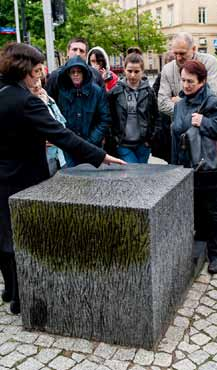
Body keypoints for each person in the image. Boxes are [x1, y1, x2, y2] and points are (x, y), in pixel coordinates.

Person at [0, 43, 125, 315]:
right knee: (23, 239)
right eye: (36, 70)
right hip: (23, 178)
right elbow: (62, 134)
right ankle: (22, 299)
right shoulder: (26, 101)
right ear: (24, 70)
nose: (40, 75)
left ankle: (10, 290)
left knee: (5, 237)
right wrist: (100, 156)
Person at [158, 32, 217, 245]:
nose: (178, 57)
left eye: (182, 53)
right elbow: (162, 103)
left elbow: (214, 101)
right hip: (185, 150)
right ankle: (201, 240)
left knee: (215, 202)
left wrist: (197, 116)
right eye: (175, 53)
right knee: (197, 202)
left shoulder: (209, 66)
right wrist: (182, 106)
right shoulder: (170, 75)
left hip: (208, 150)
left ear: (193, 50)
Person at [171, 60, 217, 274]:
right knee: (197, 211)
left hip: (209, 169)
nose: (186, 85)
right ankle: (200, 248)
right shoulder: (180, 104)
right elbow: (176, 136)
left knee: (214, 213)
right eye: (183, 80)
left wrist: (205, 122)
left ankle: (216, 255)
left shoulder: (211, 102)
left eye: (191, 81)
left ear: (202, 81)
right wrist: (174, 167)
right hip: (188, 168)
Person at [56, 55, 111, 167]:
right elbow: (59, 119)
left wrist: (91, 141)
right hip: (70, 148)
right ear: (68, 74)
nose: (76, 75)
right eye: (73, 72)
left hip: (93, 146)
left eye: (79, 72)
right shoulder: (62, 93)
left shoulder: (97, 92)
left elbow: (105, 119)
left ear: (84, 73)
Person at [108, 53, 158, 163]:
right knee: (133, 171)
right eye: (129, 71)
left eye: (136, 71)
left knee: (142, 175)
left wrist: (150, 140)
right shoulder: (116, 92)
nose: (132, 75)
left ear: (142, 72)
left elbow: (156, 117)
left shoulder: (148, 92)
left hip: (143, 145)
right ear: (124, 70)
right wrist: (115, 139)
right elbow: (109, 117)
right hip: (123, 144)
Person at [28, 79, 66, 176]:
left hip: (59, 154)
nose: (36, 85)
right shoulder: (28, 104)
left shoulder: (48, 98)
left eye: (37, 80)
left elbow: (61, 122)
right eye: (33, 81)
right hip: (44, 157)